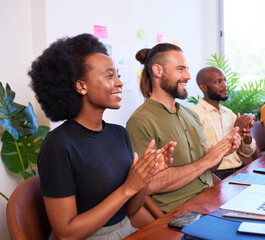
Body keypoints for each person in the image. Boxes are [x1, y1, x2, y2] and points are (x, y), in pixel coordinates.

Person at [28, 33, 176, 240]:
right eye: (109, 76)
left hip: (126, 230)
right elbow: (66, 233)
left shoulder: (119, 134)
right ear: (81, 86)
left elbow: (130, 212)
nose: (119, 83)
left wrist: (145, 177)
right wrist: (127, 188)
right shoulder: (58, 145)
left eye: (118, 76)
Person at [126, 43, 241, 213]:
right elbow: (149, 185)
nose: (188, 76)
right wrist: (207, 160)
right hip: (181, 211)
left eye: (187, 69)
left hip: (210, 200)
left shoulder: (191, 115)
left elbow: (206, 170)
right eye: (180, 69)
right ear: (158, 71)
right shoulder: (140, 121)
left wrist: (220, 154)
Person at [192, 66, 259, 180]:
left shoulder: (229, 113)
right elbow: (199, 159)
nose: (225, 85)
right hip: (216, 174)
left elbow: (246, 153)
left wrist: (246, 137)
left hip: (239, 169)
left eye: (225, 81)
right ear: (203, 87)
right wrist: (235, 132)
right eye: (218, 81)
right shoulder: (195, 115)